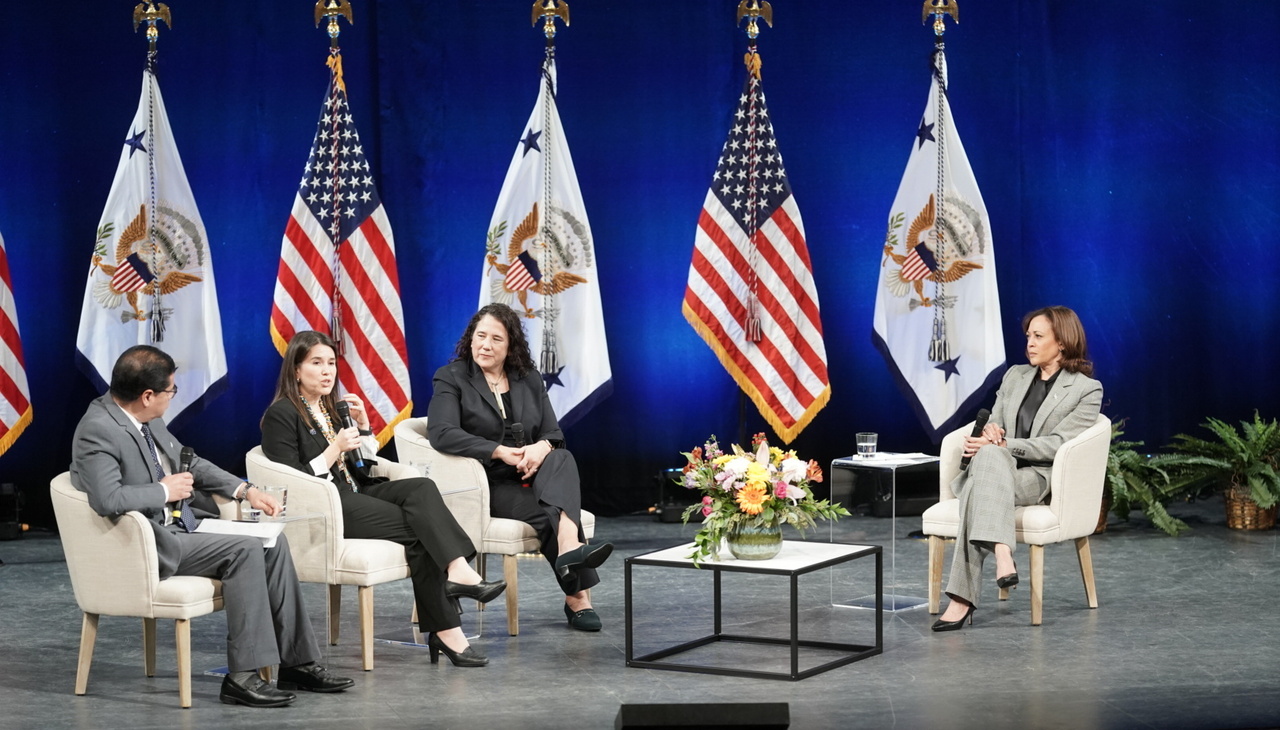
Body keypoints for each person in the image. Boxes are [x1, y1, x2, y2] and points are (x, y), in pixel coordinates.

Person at [70, 345, 354, 707]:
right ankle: (242, 676)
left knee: (272, 541)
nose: (172, 397)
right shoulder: (98, 430)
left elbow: (192, 462)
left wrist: (245, 490)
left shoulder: (145, 417)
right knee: (245, 549)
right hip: (147, 542)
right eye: (170, 391)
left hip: (182, 526)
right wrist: (163, 490)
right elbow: (107, 499)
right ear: (147, 396)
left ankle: (297, 662)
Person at [261, 330, 504, 667]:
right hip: (328, 506)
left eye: (331, 362)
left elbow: (364, 461)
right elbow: (292, 478)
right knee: (421, 531)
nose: (327, 370)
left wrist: (362, 427)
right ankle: (449, 628)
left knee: (420, 488)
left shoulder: (331, 409)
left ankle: (458, 572)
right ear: (296, 370)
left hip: (357, 489)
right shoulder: (282, 414)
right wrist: (334, 450)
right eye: (317, 363)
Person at [427, 303, 613, 632]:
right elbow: (441, 433)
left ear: (510, 345)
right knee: (550, 513)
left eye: (496, 339)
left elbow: (554, 435)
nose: (485, 345)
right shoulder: (452, 377)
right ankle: (578, 598)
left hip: (536, 475)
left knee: (561, 456)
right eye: (480, 336)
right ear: (470, 339)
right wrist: (499, 451)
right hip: (488, 484)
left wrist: (540, 448)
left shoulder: (528, 379)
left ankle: (570, 547)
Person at [933, 306, 1103, 631]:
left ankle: (961, 600)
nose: (1030, 344)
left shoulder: (1085, 390)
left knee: (987, 469)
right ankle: (1001, 552)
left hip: (1035, 478)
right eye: (1028, 336)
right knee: (991, 460)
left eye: (1039, 337)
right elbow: (995, 419)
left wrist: (1003, 445)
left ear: (1063, 343)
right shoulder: (1015, 375)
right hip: (994, 468)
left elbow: (1058, 444)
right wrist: (991, 433)